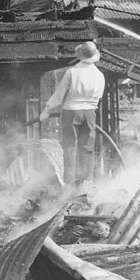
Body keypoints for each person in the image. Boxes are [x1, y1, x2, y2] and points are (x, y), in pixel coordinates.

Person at [39, 41, 106, 188]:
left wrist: (47, 110)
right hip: (90, 113)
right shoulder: (99, 75)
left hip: (71, 112)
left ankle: (69, 184)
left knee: (69, 147)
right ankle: (85, 183)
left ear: (80, 55)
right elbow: (98, 97)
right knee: (87, 148)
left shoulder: (72, 72)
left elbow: (59, 94)